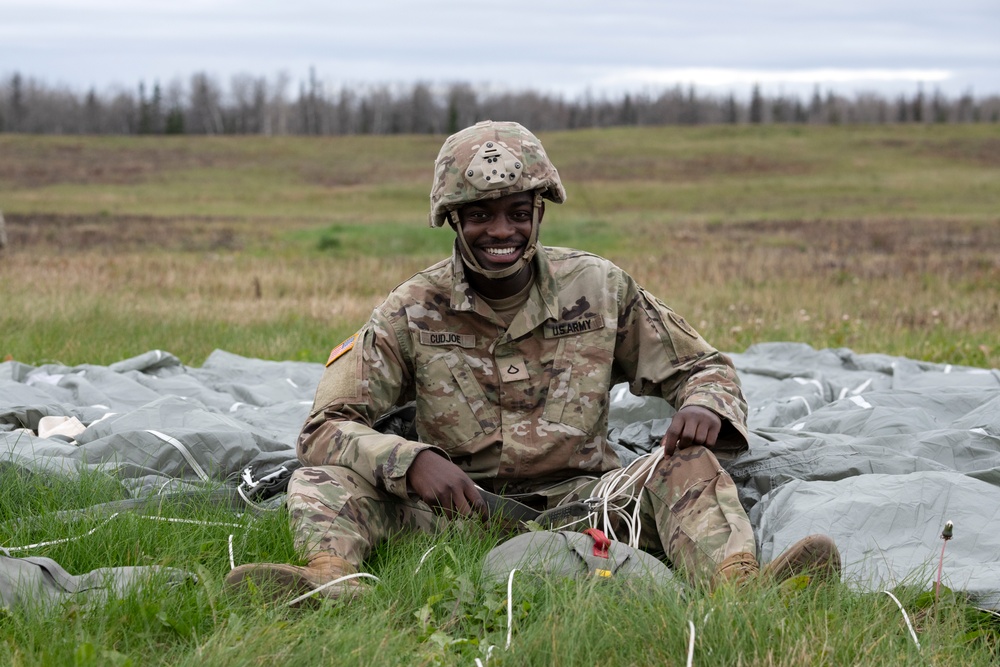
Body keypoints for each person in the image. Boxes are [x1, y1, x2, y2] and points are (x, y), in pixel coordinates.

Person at [225, 120, 839, 602]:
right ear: (453, 220)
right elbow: (324, 426)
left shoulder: (599, 288)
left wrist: (704, 404)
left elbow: (703, 367)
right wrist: (410, 462)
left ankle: (739, 589)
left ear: (539, 212)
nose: (502, 231)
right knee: (322, 477)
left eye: (519, 213)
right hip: (453, 514)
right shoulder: (410, 310)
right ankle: (330, 583)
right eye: (480, 215)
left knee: (690, 462)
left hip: (595, 504)